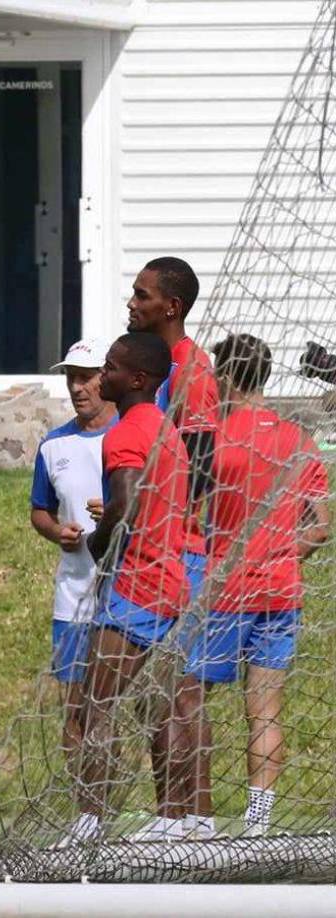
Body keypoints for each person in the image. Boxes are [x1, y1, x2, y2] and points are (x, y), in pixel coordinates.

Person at [168, 334, 329, 839]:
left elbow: (184, 513)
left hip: (225, 590)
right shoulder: (299, 440)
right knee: (264, 711)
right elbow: (320, 525)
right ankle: (257, 826)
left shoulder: (214, 440)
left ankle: (194, 817)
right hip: (282, 592)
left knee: (186, 697)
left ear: (227, 377)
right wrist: (281, 555)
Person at [56, 333, 191, 846]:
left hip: (137, 585)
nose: (101, 374)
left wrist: (99, 540)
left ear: (136, 380)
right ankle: (174, 819)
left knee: (93, 705)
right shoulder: (166, 429)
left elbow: (128, 502)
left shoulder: (126, 432)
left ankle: (89, 823)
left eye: (109, 367)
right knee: (158, 706)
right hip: (173, 582)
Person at [29, 338, 117, 767]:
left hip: (129, 595)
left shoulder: (132, 433)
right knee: (77, 709)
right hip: (74, 595)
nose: (77, 388)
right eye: (70, 378)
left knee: (122, 709)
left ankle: (168, 815)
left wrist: (120, 512)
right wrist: (57, 531)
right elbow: (38, 512)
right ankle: (83, 816)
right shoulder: (54, 445)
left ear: (107, 377)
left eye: (85, 377)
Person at [125, 256, 220, 601]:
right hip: (142, 541)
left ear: (172, 307)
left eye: (142, 295)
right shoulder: (150, 365)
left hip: (175, 550)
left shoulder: (190, 369)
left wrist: (143, 507)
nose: (131, 304)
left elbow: (201, 468)